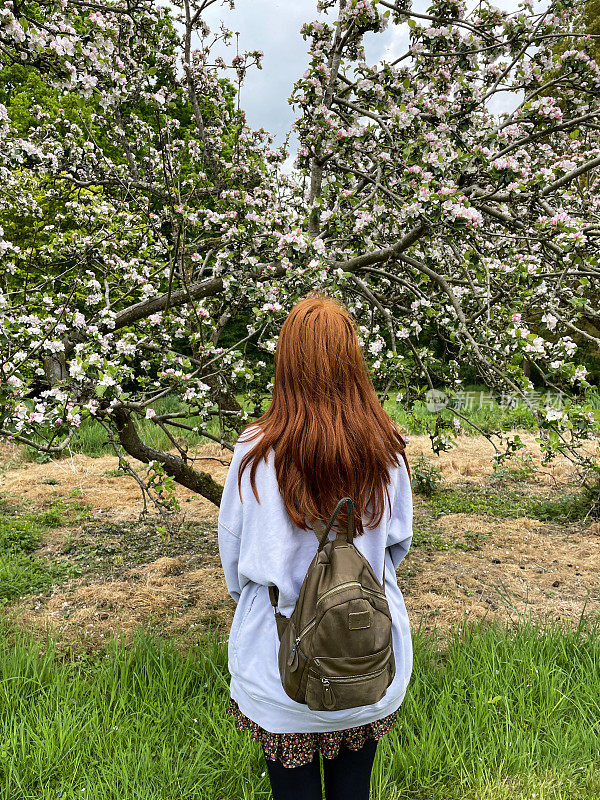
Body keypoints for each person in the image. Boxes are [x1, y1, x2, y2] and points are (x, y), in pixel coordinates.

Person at [217, 292, 414, 800]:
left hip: (280, 661)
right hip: (366, 658)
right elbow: (397, 546)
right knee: (354, 788)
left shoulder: (255, 451)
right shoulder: (385, 447)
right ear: (353, 361)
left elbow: (235, 562)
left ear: (286, 364)